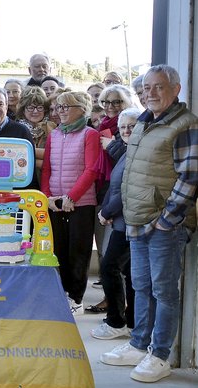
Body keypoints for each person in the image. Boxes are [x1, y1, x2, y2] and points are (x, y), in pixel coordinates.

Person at [101, 65, 198, 383]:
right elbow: (131, 171)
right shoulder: (143, 122)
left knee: (165, 291)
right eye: (148, 88)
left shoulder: (185, 124)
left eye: (160, 87)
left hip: (163, 225)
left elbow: (190, 176)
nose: (151, 93)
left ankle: (160, 355)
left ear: (176, 89)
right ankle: (139, 344)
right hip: (137, 220)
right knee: (141, 286)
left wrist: (169, 219)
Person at [41, 91, 100, 316]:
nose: (61, 111)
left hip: (81, 204)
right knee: (58, 251)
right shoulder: (54, 134)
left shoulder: (90, 134)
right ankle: (62, 293)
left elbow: (91, 169)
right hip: (55, 203)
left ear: (82, 109)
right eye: (59, 107)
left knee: (78, 252)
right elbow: (47, 169)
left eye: (67, 106)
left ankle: (76, 298)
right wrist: (48, 196)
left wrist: (72, 197)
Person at [90, 108, 140, 339]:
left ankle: (116, 321)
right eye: (123, 127)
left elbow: (128, 189)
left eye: (132, 125)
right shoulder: (127, 151)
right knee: (129, 273)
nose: (127, 130)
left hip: (129, 222)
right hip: (121, 221)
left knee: (109, 267)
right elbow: (114, 186)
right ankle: (129, 322)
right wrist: (107, 212)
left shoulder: (139, 153)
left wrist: (106, 211)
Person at [16, 86, 56, 175]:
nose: (35, 111)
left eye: (40, 107)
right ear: (23, 110)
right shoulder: (16, 129)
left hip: (48, 178)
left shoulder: (52, 127)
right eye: (30, 107)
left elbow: (55, 157)